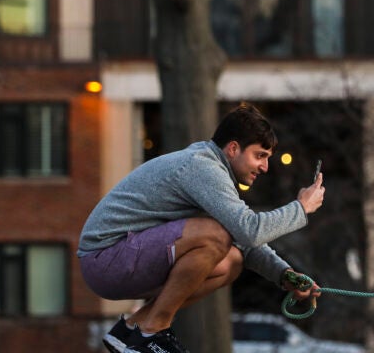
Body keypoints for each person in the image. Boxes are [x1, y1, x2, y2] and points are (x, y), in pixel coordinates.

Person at [77, 104, 325, 353]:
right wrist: (301, 208)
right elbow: (251, 230)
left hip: (117, 259)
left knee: (232, 262)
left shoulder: (212, 171)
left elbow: (245, 243)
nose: (265, 167)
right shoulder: (202, 168)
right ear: (233, 148)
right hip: (105, 258)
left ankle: (131, 331)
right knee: (215, 236)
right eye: (260, 155)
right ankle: (153, 331)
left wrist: (286, 275)